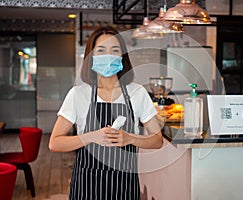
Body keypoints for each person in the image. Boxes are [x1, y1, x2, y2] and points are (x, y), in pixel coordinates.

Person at [49, 26, 163, 200]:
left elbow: (157, 140)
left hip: (124, 185)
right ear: (91, 57)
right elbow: (55, 143)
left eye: (115, 50)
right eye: (101, 50)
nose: (108, 56)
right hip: (86, 186)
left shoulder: (137, 93)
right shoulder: (79, 94)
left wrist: (130, 138)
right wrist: (91, 136)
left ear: (122, 57)